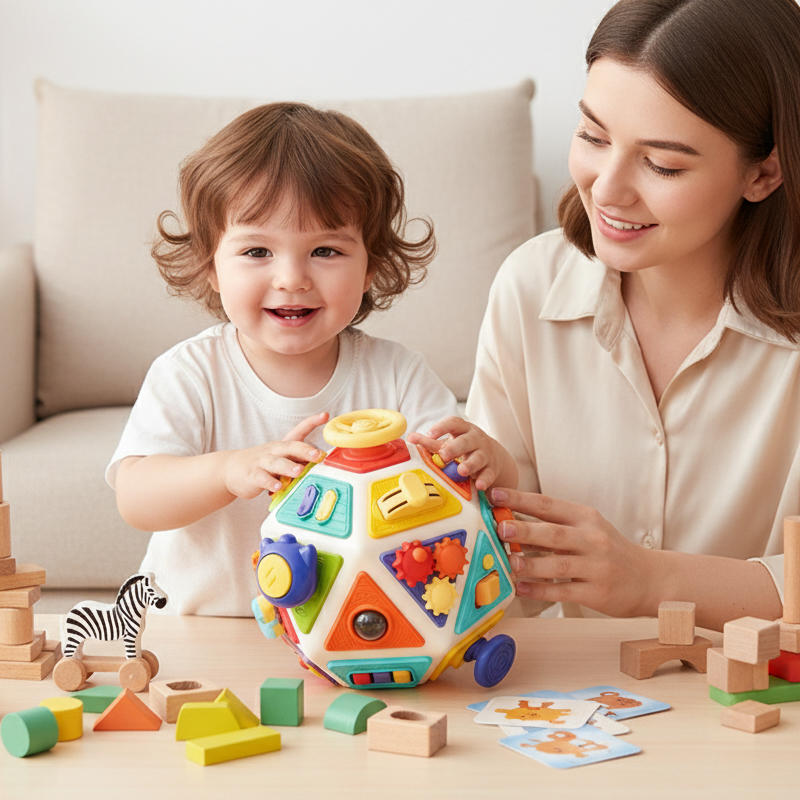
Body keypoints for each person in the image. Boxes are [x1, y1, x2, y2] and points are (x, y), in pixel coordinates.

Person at [459, 0, 800, 631]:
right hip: (573, 701)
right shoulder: (529, 287)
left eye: (663, 163)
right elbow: (497, 568)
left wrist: (651, 580)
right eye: (592, 136)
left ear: (765, 171)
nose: (607, 189)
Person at [108, 103, 517, 616]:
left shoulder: (397, 376)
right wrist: (228, 472)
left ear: (372, 265)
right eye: (257, 251)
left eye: (325, 251)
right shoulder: (190, 373)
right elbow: (137, 496)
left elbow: (461, 491)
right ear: (210, 265)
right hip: (202, 628)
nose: (291, 278)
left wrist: (493, 464)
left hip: (350, 640)